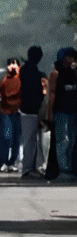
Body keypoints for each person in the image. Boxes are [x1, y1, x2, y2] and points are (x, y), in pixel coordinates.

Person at [46, 47, 77, 180]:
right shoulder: (56, 73)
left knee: (72, 141)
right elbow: (52, 94)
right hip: (60, 111)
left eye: (72, 57)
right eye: (68, 57)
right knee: (62, 140)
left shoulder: (74, 73)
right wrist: (49, 113)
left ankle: (70, 167)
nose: (70, 60)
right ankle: (63, 168)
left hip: (73, 112)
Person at [19, 46, 48, 179]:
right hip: (35, 110)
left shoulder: (24, 70)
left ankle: (29, 168)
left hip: (27, 110)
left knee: (30, 142)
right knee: (37, 142)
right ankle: (35, 168)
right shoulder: (35, 73)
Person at [0, 58, 22, 173]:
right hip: (6, 113)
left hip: (19, 113)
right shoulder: (4, 80)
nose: (12, 66)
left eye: (15, 64)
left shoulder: (22, 78)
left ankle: (12, 162)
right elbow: (0, 92)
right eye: (10, 64)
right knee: (6, 137)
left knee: (17, 139)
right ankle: (3, 162)